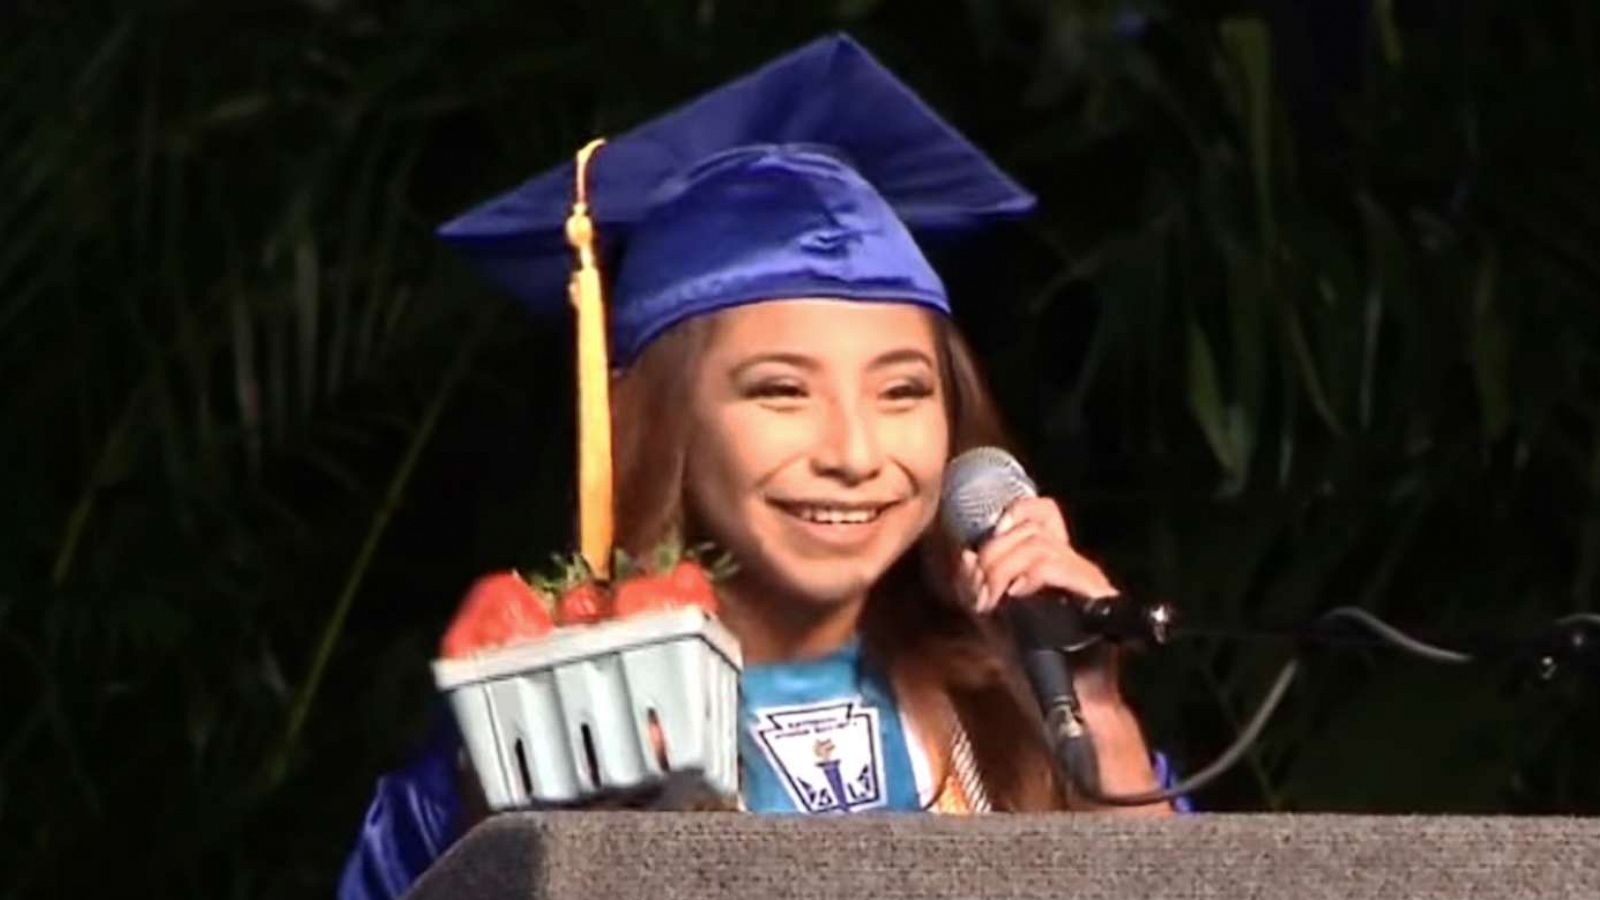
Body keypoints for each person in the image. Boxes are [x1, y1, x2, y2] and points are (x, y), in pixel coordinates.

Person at [338, 33, 1183, 900]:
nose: (855, 454)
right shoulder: (538, 742)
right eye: (781, 391)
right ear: (658, 421)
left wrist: (1094, 716)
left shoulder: (1006, 716)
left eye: (902, 392)